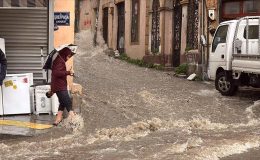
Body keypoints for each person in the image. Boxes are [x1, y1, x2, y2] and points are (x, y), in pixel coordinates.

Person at [48, 47, 75, 126]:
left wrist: (68, 73)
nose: (69, 57)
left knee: (62, 102)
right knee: (68, 101)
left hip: (59, 85)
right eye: (69, 55)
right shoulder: (59, 61)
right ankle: (74, 118)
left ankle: (58, 119)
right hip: (60, 86)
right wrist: (68, 72)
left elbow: (57, 72)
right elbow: (57, 73)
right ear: (65, 54)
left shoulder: (60, 60)